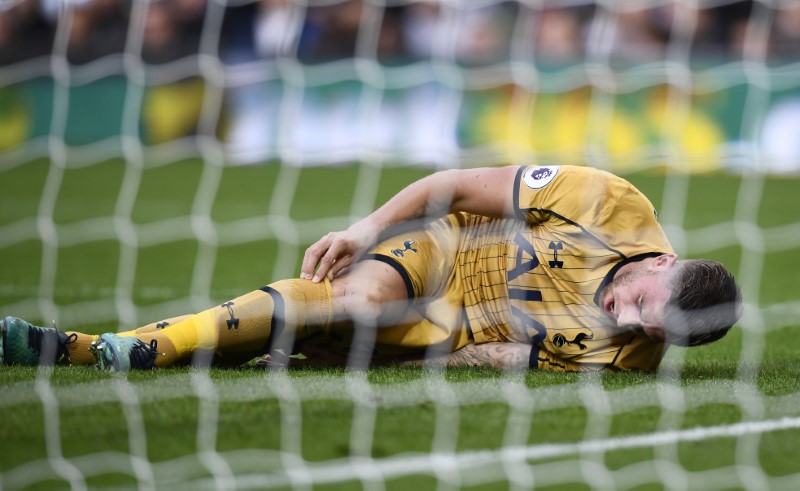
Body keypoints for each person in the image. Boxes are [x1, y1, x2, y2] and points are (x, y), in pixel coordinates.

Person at [0, 164, 742, 372]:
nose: (624, 320)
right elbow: (451, 184)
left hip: (444, 328)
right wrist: (364, 227)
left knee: (332, 334)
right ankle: (110, 349)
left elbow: (510, 355)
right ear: (664, 260)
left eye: (644, 329)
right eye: (639, 299)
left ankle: (126, 349)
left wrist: (404, 350)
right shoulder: (607, 201)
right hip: (446, 248)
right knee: (353, 301)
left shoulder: (631, 356)